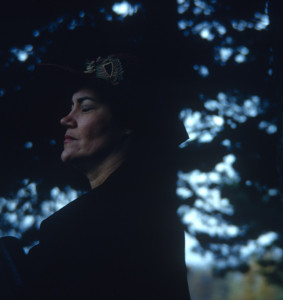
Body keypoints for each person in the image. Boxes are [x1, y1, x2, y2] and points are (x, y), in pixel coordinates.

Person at [11, 53, 191, 299]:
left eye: (85, 107)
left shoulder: (77, 228)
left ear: (128, 121)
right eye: (70, 107)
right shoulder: (154, 216)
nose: (66, 120)